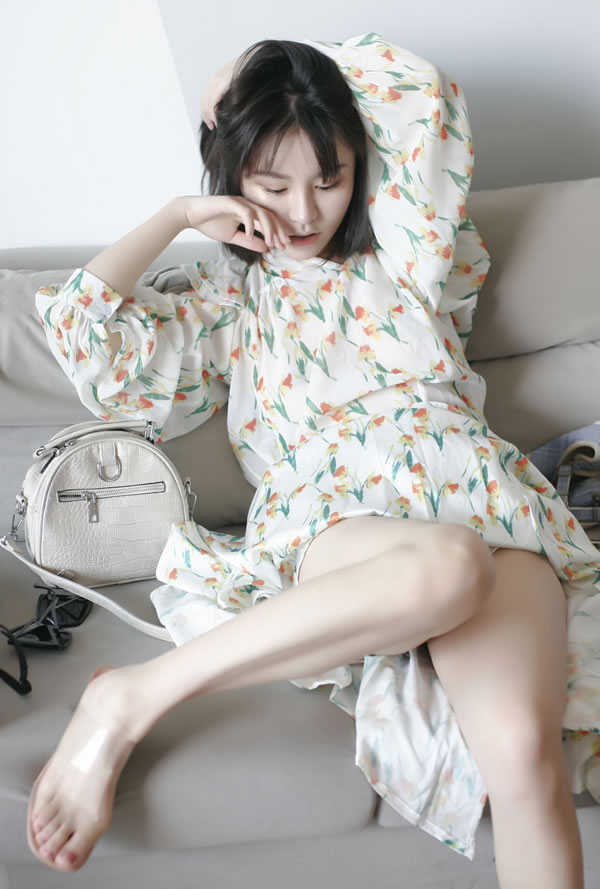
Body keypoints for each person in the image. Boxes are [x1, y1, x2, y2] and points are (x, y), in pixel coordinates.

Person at [27, 33, 600, 888]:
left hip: (487, 498)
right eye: (272, 184)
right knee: (449, 567)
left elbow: (424, 95)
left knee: (524, 753)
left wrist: (238, 75)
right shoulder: (226, 307)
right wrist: (179, 215)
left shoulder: (409, 256)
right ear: (233, 178)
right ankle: (131, 696)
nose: (303, 211)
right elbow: (84, 339)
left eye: (327, 179)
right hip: (340, 518)